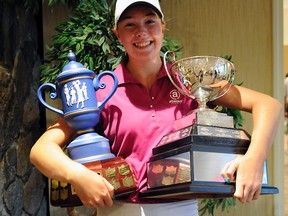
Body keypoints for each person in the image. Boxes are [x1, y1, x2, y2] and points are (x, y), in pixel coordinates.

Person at [30, 0, 282, 215]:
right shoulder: (102, 90)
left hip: (183, 207)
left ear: (163, 27)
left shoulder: (189, 79)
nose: (141, 32)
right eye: (130, 24)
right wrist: (79, 176)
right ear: (117, 33)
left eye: (150, 21)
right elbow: (41, 150)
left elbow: (267, 105)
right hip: (123, 209)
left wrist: (254, 159)